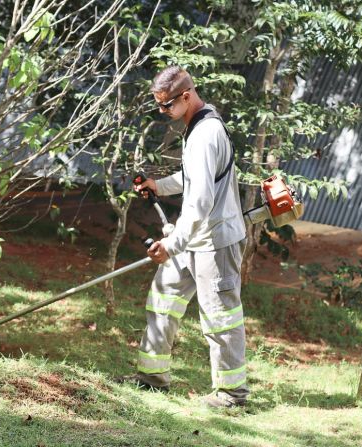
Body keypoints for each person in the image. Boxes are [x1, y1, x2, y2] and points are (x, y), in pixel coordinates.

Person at [128, 66, 249, 408]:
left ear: (186, 96)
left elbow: (201, 201)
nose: (162, 112)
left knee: (220, 316)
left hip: (214, 241)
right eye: (158, 106)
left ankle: (232, 395)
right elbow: (194, 177)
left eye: (166, 105)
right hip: (192, 236)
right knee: (163, 298)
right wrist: (159, 186)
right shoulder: (196, 127)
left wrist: (171, 244)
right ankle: (151, 377)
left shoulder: (207, 132)